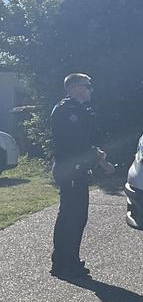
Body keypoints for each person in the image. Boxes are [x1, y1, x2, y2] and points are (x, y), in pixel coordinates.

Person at [50, 73, 110, 279]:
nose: (91, 89)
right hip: (71, 169)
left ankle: (66, 260)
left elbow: (89, 137)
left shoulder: (80, 110)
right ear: (76, 88)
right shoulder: (67, 111)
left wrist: (100, 159)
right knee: (72, 216)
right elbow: (74, 143)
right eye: (88, 86)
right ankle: (65, 263)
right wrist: (96, 155)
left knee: (74, 216)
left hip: (77, 168)